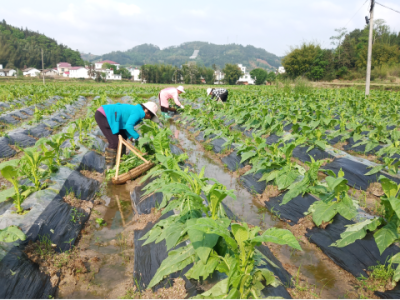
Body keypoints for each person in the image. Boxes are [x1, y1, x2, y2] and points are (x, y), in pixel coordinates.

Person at [95, 102, 159, 169]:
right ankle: (110, 169)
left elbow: (125, 126)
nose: (149, 118)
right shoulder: (139, 113)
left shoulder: (138, 111)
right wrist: (137, 137)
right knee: (114, 142)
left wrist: (131, 137)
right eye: (151, 116)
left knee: (123, 137)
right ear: (146, 110)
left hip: (112, 117)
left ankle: (121, 163)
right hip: (104, 115)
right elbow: (129, 126)